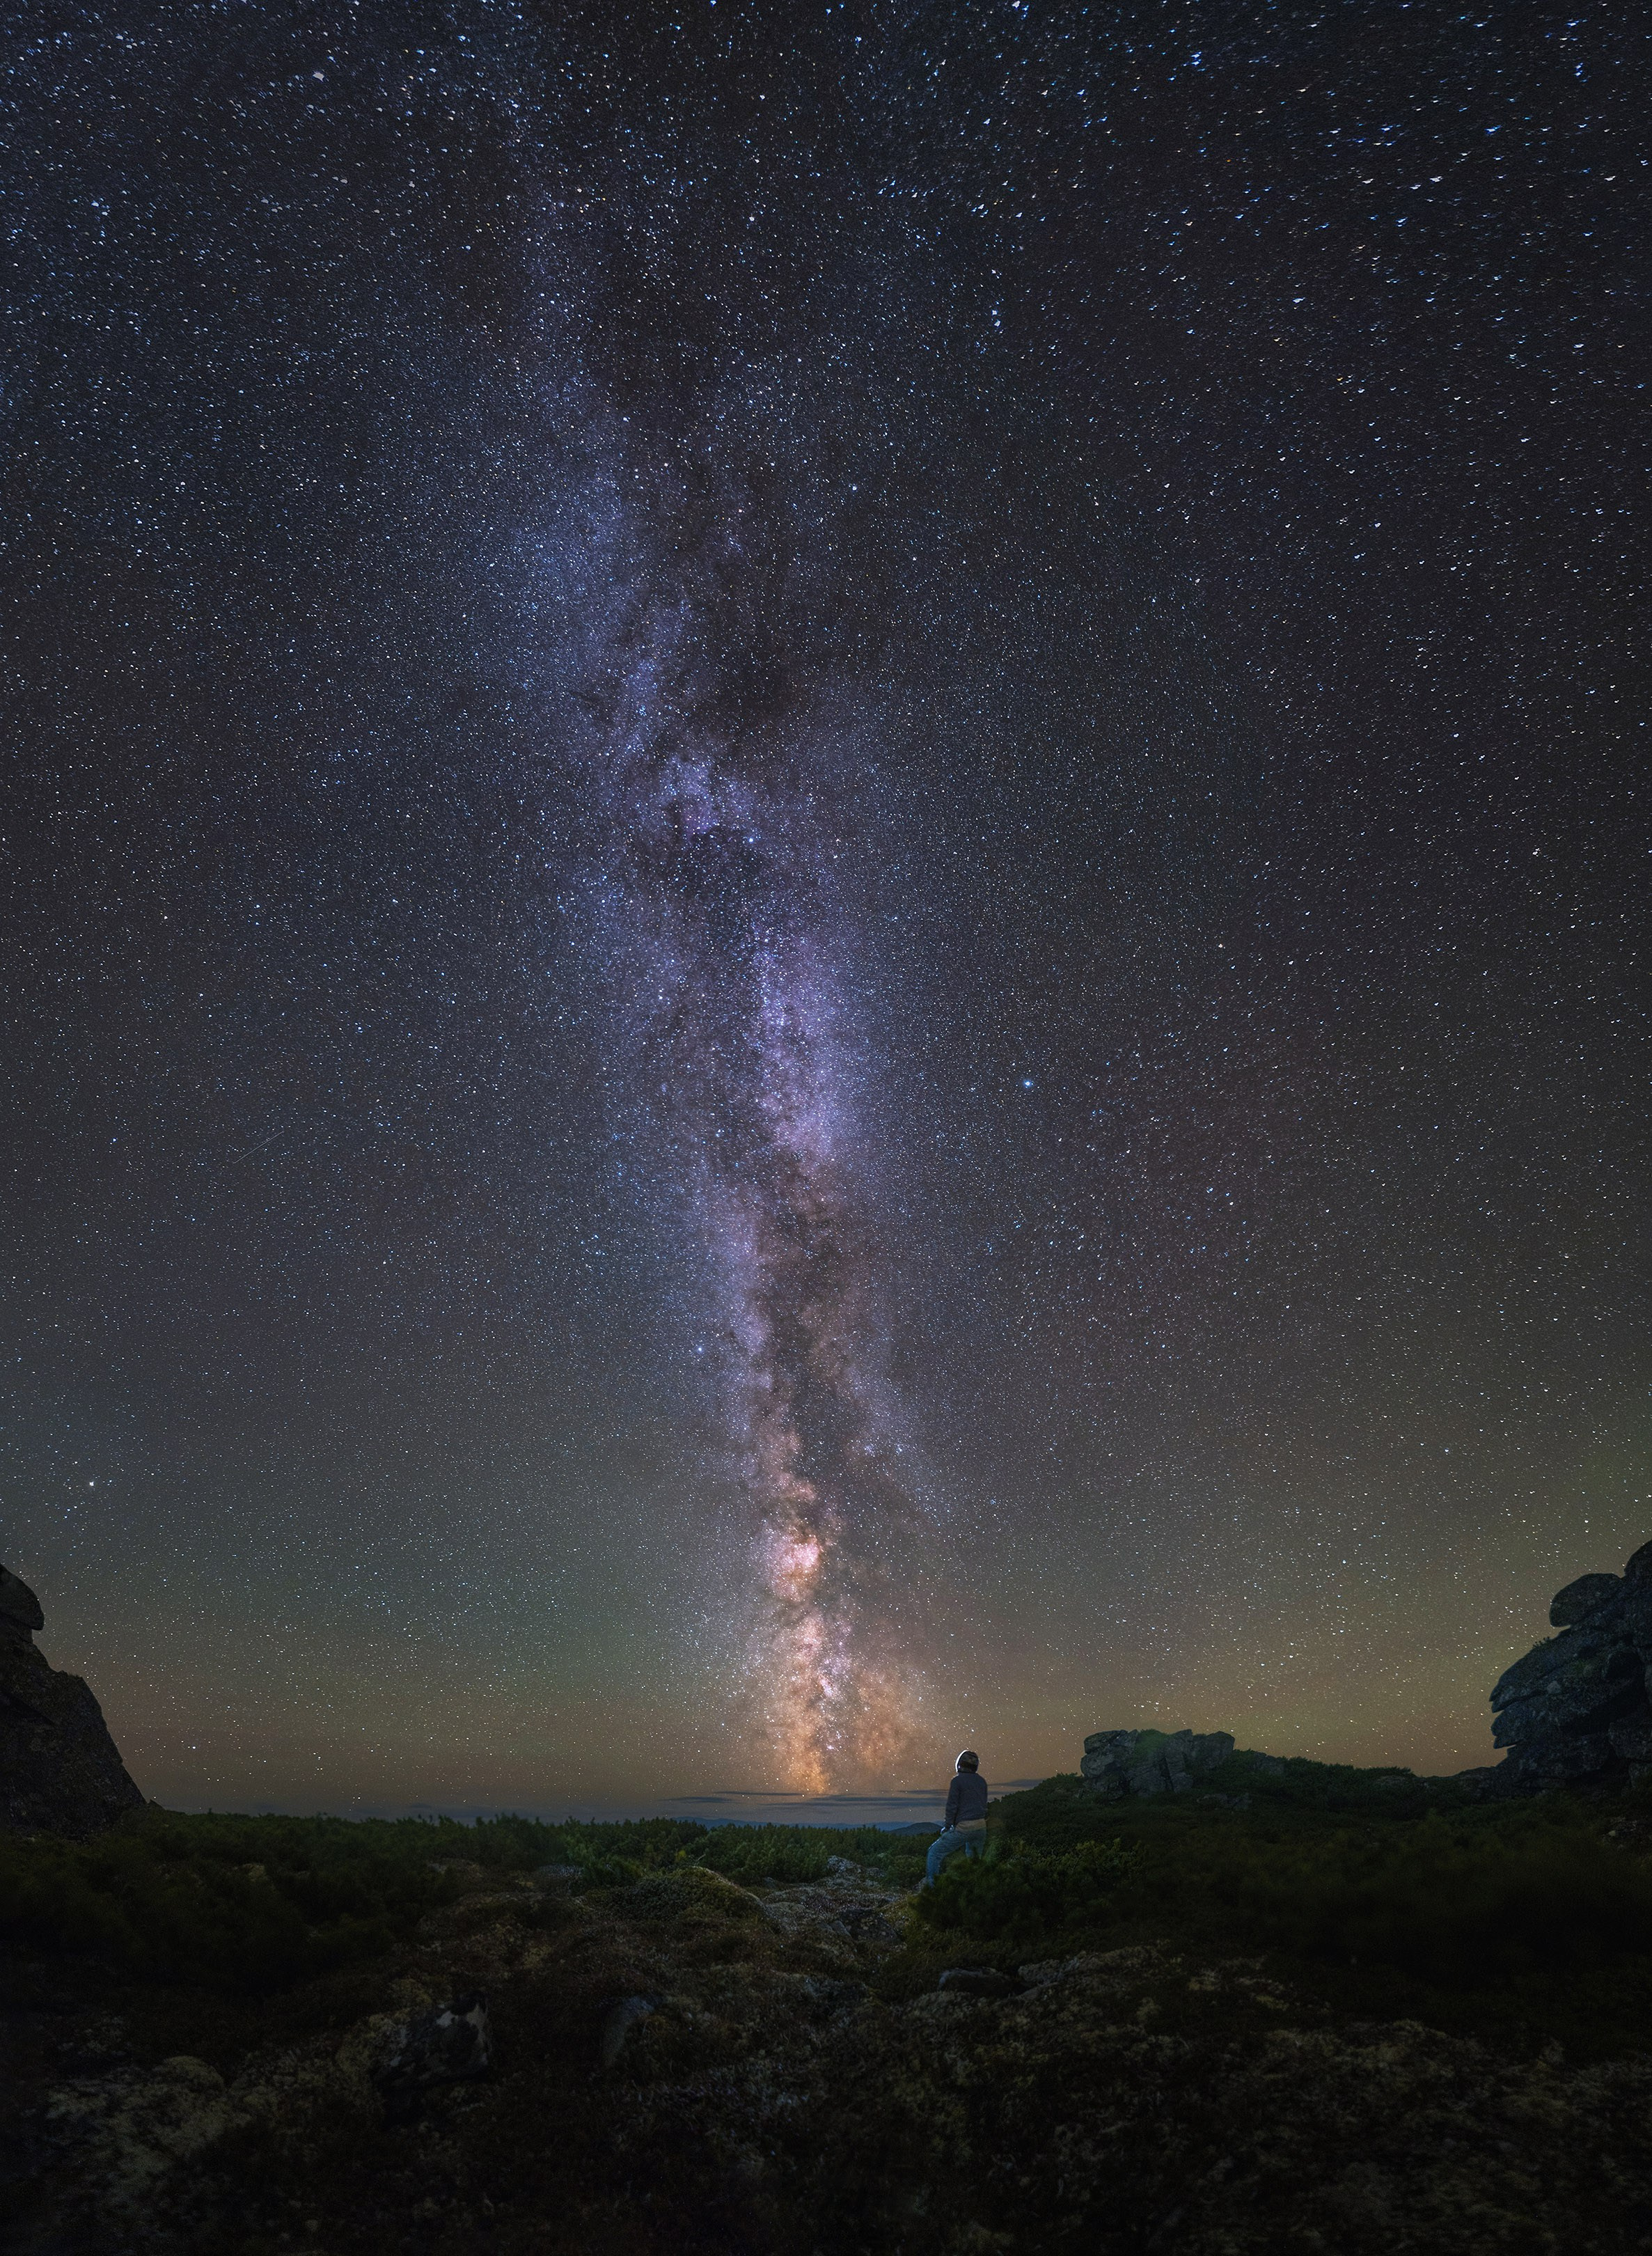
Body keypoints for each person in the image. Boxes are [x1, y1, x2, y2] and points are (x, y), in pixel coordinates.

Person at [920, 1750, 989, 1888]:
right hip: (981, 1827)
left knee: (934, 1853)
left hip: (964, 1828)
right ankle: (974, 1891)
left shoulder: (957, 1781)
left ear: (960, 1764)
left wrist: (948, 1826)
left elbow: (952, 1806)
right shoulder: (982, 1782)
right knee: (974, 1860)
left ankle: (931, 1889)